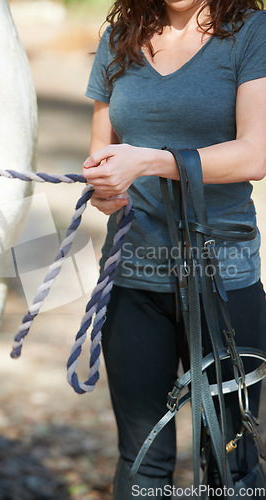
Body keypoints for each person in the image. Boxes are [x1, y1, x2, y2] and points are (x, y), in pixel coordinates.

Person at [83, 1, 266, 498]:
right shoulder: (120, 37)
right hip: (132, 276)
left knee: (231, 462)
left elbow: (255, 154)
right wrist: (105, 189)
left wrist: (150, 162)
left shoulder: (251, 33)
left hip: (222, 279)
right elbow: (102, 154)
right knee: (141, 460)